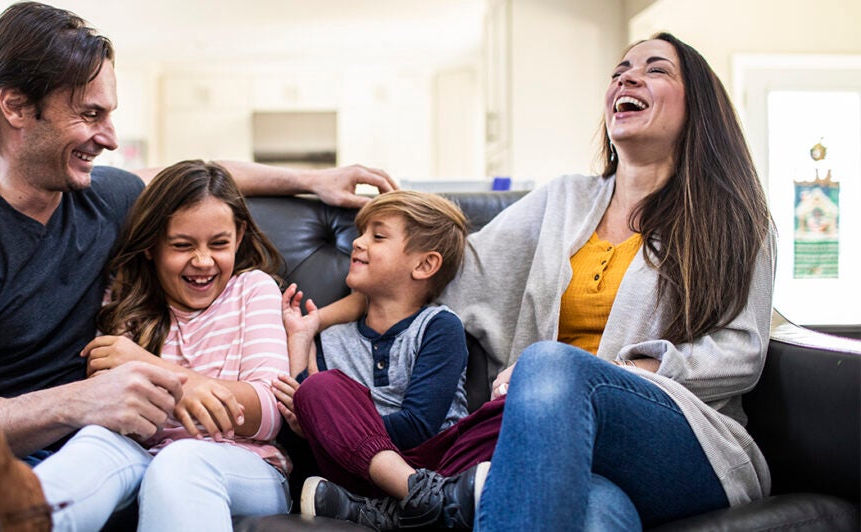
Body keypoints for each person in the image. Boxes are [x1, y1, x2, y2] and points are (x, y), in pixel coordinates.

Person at [0, 2, 395, 531]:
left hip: (77, 448)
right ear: (15, 107)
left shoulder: (106, 197)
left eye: (110, 115)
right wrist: (81, 400)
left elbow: (190, 178)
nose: (107, 137)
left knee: (106, 461)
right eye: (89, 114)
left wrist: (310, 180)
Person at [318, 32, 775, 530]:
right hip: (563, 450)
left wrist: (626, 368)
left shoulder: (735, 218)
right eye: (621, 68)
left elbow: (743, 352)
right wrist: (316, 316)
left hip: (683, 441)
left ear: (700, 107)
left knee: (550, 363)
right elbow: (433, 273)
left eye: (656, 69)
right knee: (597, 514)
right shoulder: (562, 201)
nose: (627, 75)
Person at [0, 160, 292, 530]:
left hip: (247, 467)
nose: (203, 261)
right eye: (183, 246)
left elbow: (268, 411)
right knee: (98, 443)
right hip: (144, 457)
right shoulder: (125, 301)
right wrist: (166, 394)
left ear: (239, 237)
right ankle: (18, 511)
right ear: (151, 246)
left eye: (219, 244)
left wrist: (154, 369)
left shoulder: (251, 290)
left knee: (182, 460)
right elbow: (117, 411)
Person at [272, 190, 481, 530]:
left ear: (425, 264)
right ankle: (421, 502)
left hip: (438, 462)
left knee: (509, 412)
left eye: (378, 236)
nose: (358, 242)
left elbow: (418, 427)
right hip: (356, 472)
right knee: (318, 389)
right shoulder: (332, 340)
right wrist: (301, 335)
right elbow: (303, 412)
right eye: (361, 233)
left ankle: (398, 505)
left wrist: (324, 426)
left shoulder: (439, 326)